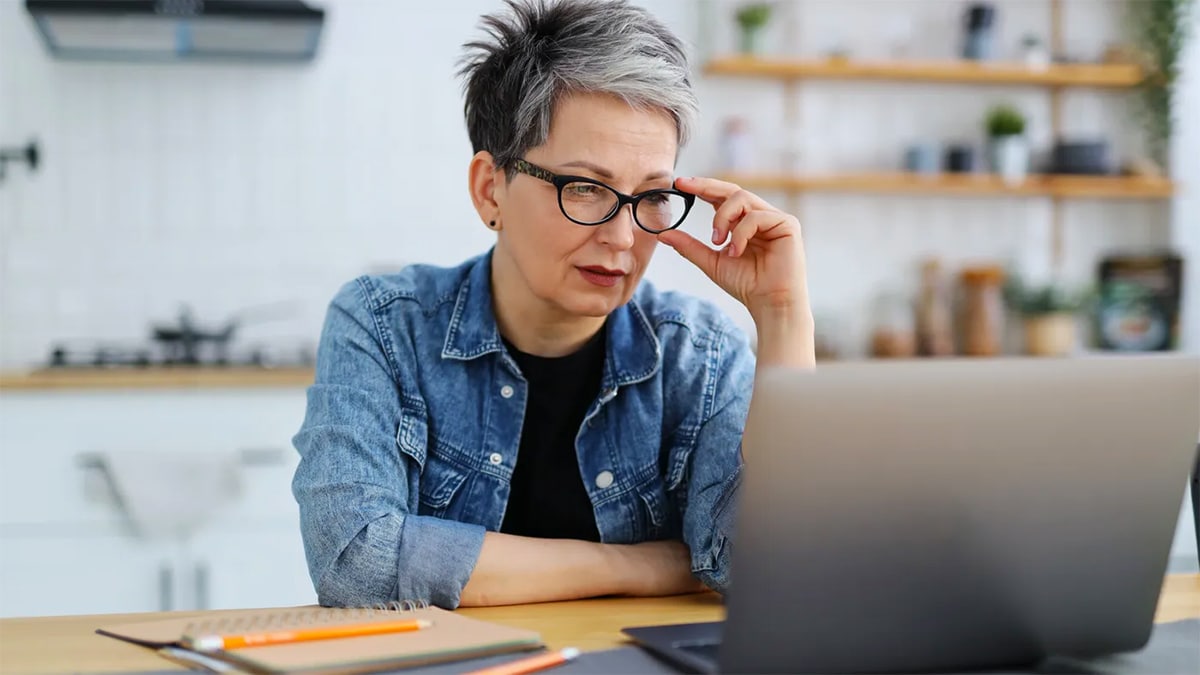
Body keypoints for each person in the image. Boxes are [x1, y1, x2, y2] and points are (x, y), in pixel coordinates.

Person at [291, 0, 813, 610]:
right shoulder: (385, 326)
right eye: (585, 188)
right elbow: (356, 564)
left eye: (652, 196)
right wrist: (649, 565)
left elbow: (772, 568)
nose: (622, 237)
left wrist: (781, 315)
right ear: (491, 190)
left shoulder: (699, 352)